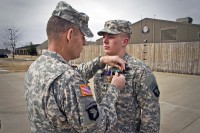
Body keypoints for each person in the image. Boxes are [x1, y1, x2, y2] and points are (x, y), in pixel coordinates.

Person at [24, 2, 126, 133]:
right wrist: (115, 88)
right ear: (70, 35)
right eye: (83, 37)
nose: (84, 43)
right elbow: (98, 127)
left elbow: (72, 74)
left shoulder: (36, 67)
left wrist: (100, 61)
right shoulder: (69, 79)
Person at [94, 20, 160, 133]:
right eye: (104, 36)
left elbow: (151, 113)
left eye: (110, 36)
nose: (104, 40)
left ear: (124, 41)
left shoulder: (140, 70)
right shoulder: (100, 69)